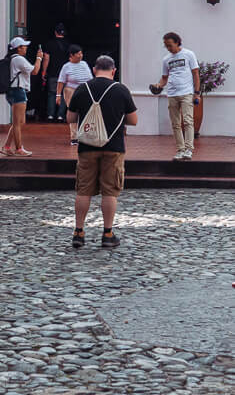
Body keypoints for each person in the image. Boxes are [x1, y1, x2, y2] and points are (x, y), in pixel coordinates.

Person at [66, 55, 137, 249]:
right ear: (113, 71)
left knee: (83, 190)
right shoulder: (120, 90)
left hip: (87, 146)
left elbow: (70, 117)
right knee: (110, 191)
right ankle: (107, 233)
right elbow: (133, 120)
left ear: (94, 69)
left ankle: (79, 232)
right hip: (113, 147)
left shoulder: (83, 88)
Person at [149, 32, 200, 161]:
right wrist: (158, 86)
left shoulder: (189, 54)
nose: (168, 48)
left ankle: (189, 149)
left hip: (186, 92)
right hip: (172, 93)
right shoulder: (166, 59)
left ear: (177, 42)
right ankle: (180, 150)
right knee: (175, 124)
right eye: (166, 46)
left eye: (170, 45)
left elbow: (195, 74)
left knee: (188, 121)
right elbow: (164, 78)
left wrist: (197, 92)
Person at [0, 38, 43, 157]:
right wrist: (39, 58)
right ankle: (19, 149)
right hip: (18, 91)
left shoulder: (10, 59)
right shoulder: (18, 59)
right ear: (18, 48)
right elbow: (35, 71)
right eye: (24, 46)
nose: (26, 48)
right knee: (18, 123)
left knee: (18, 122)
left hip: (12, 91)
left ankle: (7, 147)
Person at [56, 45, 93, 145]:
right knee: (74, 113)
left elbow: (90, 78)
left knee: (86, 113)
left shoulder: (84, 64)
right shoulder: (66, 66)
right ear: (72, 55)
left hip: (85, 90)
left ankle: (85, 135)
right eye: (78, 54)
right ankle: (74, 137)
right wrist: (58, 95)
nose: (81, 55)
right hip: (71, 90)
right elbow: (61, 81)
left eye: (81, 53)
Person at [41, 23, 69, 121]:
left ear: (55, 32)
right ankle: (61, 115)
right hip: (65, 74)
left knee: (52, 93)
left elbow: (46, 59)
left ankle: (50, 115)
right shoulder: (68, 45)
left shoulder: (49, 44)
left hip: (53, 73)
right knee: (63, 94)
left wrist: (44, 72)